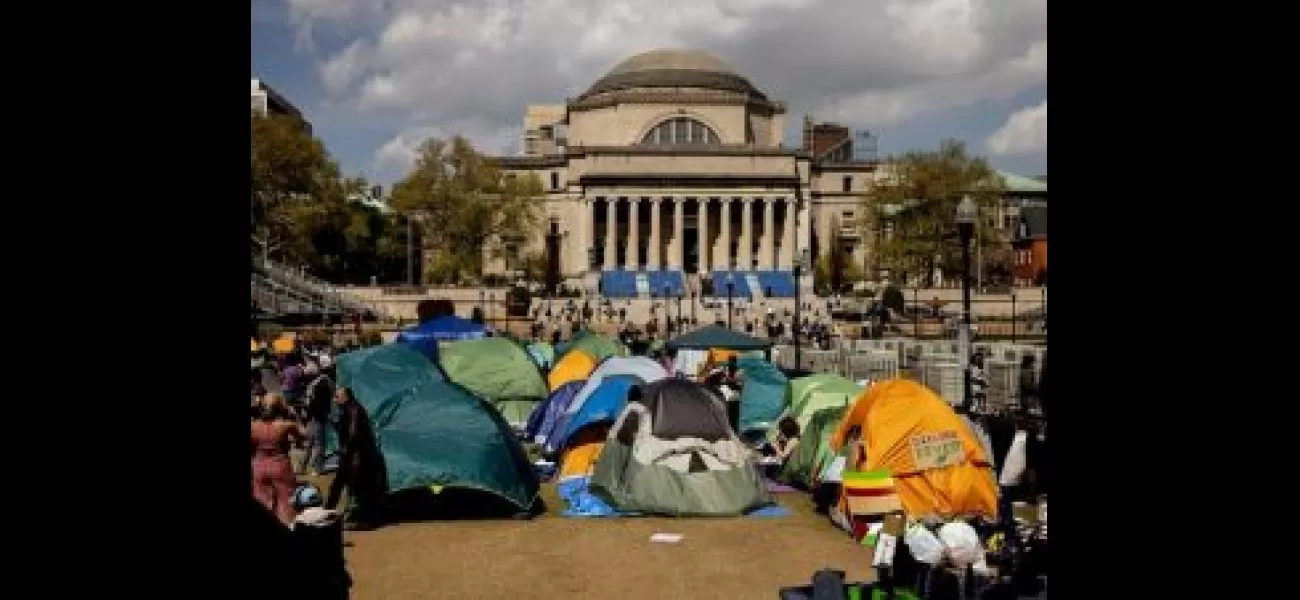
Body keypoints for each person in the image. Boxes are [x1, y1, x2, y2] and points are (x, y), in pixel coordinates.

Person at [327, 387, 387, 530]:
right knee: (340, 487)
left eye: (338, 396)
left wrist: (345, 449)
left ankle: (364, 520)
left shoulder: (354, 410)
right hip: (354, 456)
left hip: (356, 457)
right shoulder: (350, 409)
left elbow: (353, 432)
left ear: (346, 397)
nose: (335, 399)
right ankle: (328, 514)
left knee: (354, 489)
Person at [252, 393, 305, 525]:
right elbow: (303, 436)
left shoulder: (253, 426)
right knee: (286, 502)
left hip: (259, 465)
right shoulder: (285, 425)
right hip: (280, 464)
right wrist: (295, 417)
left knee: (261, 501)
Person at [298, 357, 336, 475]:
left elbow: (318, 403)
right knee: (312, 442)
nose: (305, 378)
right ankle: (304, 466)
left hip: (317, 416)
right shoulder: (322, 381)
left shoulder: (321, 384)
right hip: (315, 416)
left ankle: (317, 468)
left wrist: (308, 411)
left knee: (318, 443)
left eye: (307, 376)